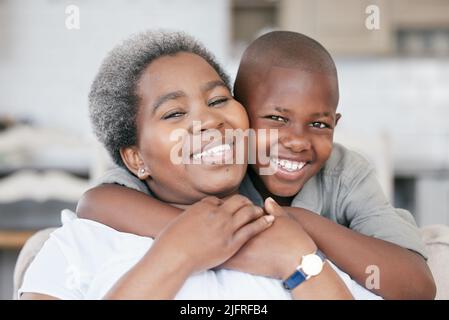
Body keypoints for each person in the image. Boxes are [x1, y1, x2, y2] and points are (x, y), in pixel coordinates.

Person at [76, 31, 436, 299]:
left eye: (319, 124)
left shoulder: (344, 173)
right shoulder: (214, 167)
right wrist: (211, 239)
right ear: (243, 113)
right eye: (276, 119)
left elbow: (417, 285)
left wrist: (300, 224)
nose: (296, 141)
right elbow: (98, 202)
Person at [19, 31, 362, 300]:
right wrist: (177, 253)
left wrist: (299, 262)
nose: (210, 121)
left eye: (218, 100)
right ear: (136, 159)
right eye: (174, 113)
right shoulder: (81, 245)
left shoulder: (297, 239)